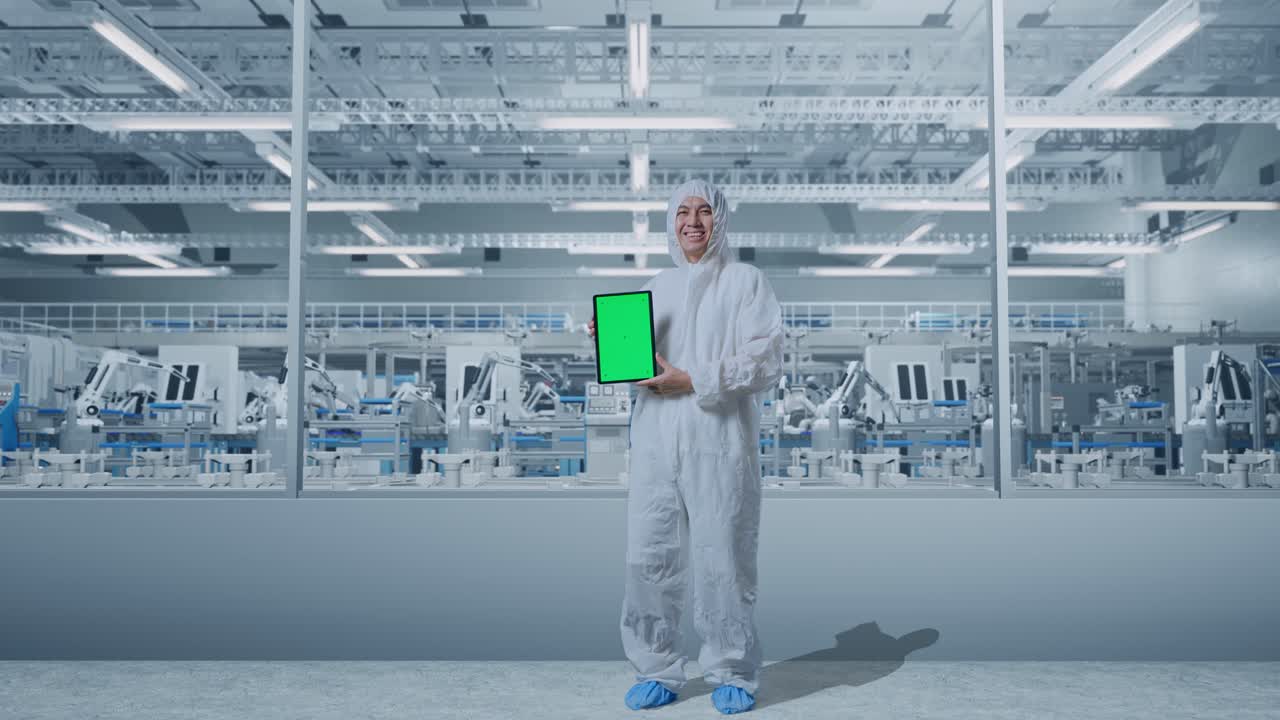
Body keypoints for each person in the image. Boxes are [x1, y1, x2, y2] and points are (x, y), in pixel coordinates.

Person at [588, 179, 784, 714]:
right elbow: (642, 371)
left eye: (703, 211)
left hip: (717, 441)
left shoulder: (746, 282)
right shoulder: (659, 284)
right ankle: (656, 667)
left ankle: (732, 671)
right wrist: (611, 344)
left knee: (723, 556)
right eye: (682, 213)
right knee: (650, 557)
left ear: (720, 219)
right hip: (656, 440)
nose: (692, 221)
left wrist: (693, 379)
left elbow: (764, 361)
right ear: (670, 223)